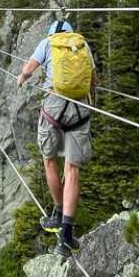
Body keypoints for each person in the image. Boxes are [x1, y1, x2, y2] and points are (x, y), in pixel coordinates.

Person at [16, 19, 95, 257]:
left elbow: (29, 68)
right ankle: (66, 236)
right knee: (72, 170)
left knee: (50, 160)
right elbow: (92, 80)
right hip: (80, 109)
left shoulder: (48, 42)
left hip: (54, 107)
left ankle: (58, 213)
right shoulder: (82, 44)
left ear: (53, 33)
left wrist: (22, 77)